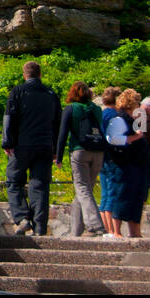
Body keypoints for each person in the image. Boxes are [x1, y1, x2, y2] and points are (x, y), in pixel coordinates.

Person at [2, 60, 61, 236]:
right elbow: (57, 124)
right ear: (40, 75)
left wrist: (8, 142)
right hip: (45, 146)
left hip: (22, 145)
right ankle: (40, 227)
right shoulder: (51, 94)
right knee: (40, 185)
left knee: (14, 182)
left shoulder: (18, 91)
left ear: (24, 75)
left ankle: (22, 218)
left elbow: (9, 118)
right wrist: (55, 149)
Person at [55, 82, 105, 236]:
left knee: (82, 188)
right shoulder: (96, 109)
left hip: (79, 151)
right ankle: (76, 233)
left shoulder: (71, 109)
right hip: (98, 151)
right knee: (85, 190)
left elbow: (63, 133)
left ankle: (95, 225)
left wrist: (58, 155)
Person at [105, 88, 150, 238]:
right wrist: (133, 138)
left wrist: (141, 119)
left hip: (138, 162)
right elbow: (112, 139)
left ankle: (134, 231)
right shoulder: (119, 118)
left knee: (137, 196)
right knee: (122, 194)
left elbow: (142, 133)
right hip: (124, 163)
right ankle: (117, 231)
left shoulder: (137, 117)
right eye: (137, 102)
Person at [98, 86, 122, 237]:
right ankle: (113, 231)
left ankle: (107, 229)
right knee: (112, 193)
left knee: (105, 193)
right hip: (113, 157)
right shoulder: (114, 115)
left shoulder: (101, 114)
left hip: (101, 156)